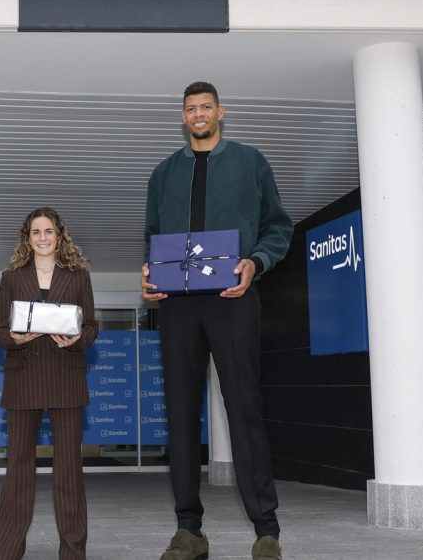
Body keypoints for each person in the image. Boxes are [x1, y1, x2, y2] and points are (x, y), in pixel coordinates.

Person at [142, 82, 293, 560]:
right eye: (190, 109)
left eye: (206, 107)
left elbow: (278, 226)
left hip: (234, 299)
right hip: (179, 305)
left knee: (244, 407)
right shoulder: (163, 174)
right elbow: (152, 237)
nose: (198, 114)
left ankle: (265, 530)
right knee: (181, 414)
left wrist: (257, 262)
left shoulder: (251, 162)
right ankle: (189, 530)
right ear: (183, 117)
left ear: (220, 112)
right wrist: (149, 273)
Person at [0, 207, 97, 560]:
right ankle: (7, 551)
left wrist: (78, 339)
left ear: (59, 235)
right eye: (35, 232)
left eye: (48, 231)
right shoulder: (11, 277)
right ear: (27, 237)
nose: (42, 238)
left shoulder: (79, 276)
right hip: (24, 380)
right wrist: (16, 339)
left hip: (66, 378)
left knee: (68, 472)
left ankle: (73, 552)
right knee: (18, 471)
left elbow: (92, 326)